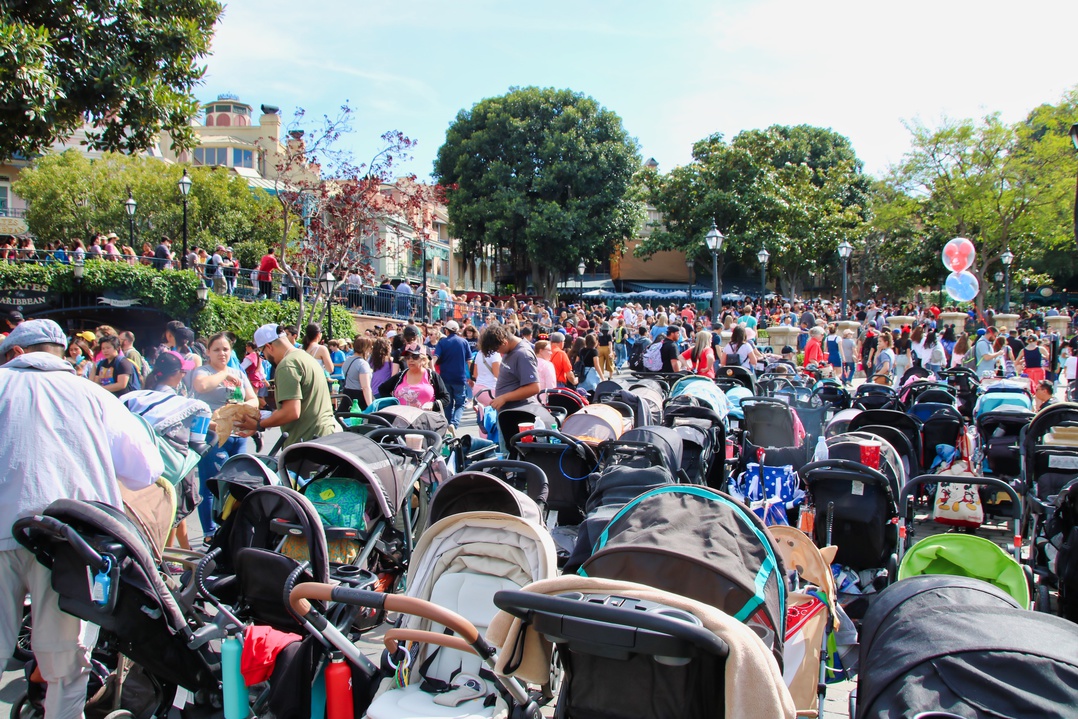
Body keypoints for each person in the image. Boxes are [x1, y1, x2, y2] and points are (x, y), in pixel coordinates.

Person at [0, 319, 161, 719]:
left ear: (17, 353)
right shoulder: (94, 395)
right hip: (70, 541)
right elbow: (145, 470)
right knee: (67, 669)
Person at [190, 332, 258, 539]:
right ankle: (210, 532)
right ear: (208, 352)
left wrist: (242, 407)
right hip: (214, 435)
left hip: (238, 435)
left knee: (236, 484)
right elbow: (200, 386)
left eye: (225, 349)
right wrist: (223, 376)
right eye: (217, 349)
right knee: (213, 484)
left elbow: (254, 399)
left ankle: (230, 529)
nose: (222, 353)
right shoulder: (203, 371)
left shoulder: (238, 371)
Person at [236, 324, 341, 449]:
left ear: (269, 347)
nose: (264, 358)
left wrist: (259, 425)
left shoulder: (287, 365)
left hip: (307, 445)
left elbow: (291, 412)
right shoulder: (305, 357)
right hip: (326, 436)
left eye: (262, 354)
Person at [480, 322, 555, 425]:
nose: (497, 352)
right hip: (509, 413)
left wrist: (504, 398)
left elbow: (534, 387)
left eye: (497, 349)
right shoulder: (510, 350)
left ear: (504, 342)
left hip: (519, 415)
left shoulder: (523, 354)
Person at [378, 344, 449, 409]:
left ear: (423, 359)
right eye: (407, 357)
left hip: (425, 419)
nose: (410, 360)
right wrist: (393, 404)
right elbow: (382, 389)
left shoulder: (432, 376)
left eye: (415, 356)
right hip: (402, 419)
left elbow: (446, 399)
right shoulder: (400, 376)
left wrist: (433, 405)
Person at [433, 320, 471, 428]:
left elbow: (435, 357)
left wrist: (432, 370)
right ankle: (454, 424)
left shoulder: (442, 343)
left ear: (446, 330)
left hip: (445, 378)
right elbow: (469, 361)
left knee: (448, 403)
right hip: (459, 378)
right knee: (460, 403)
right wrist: (472, 376)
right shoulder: (464, 342)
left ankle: (447, 425)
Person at [341, 336, 374, 409]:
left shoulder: (347, 360)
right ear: (366, 348)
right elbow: (365, 387)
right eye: (370, 347)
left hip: (347, 395)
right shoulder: (362, 364)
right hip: (359, 399)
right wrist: (371, 407)